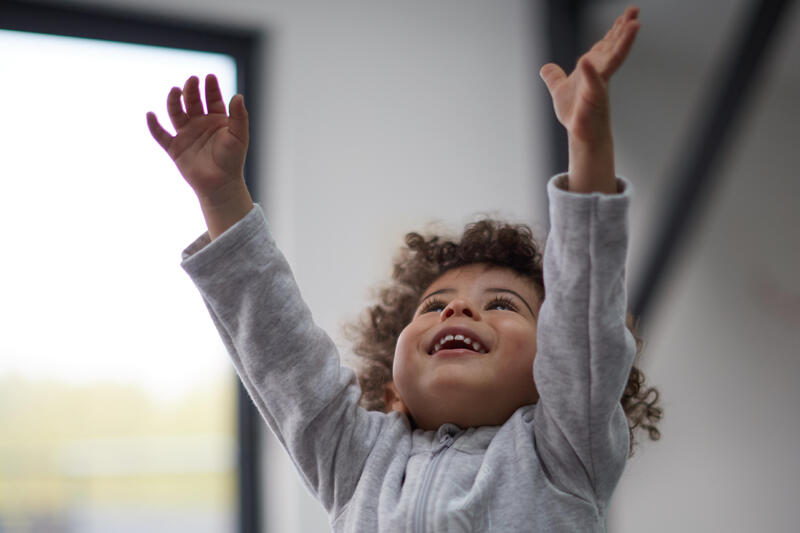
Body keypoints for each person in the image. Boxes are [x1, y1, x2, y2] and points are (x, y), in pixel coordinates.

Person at [147, 5, 661, 531]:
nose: (457, 308)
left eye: (502, 304)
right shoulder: (357, 461)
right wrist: (222, 196)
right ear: (392, 391)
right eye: (433, 307)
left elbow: (584, 313)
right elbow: (283, 359)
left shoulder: (564, 454)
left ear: (552, 372)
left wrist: (588, 143)